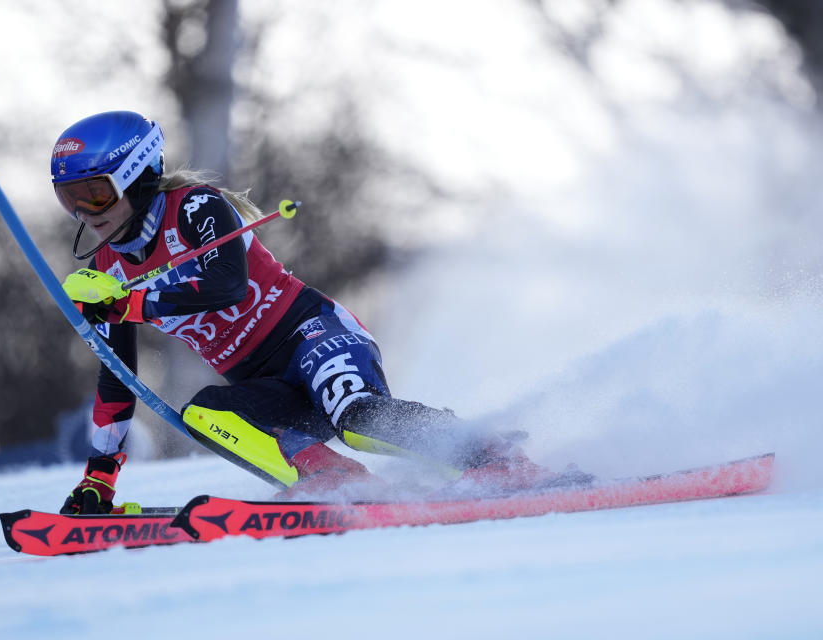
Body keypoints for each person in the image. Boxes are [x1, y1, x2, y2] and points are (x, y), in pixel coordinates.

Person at [51, 111, 549, 514]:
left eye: (95, 193)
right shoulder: (107, 271)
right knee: (204, 414)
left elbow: (228, 284)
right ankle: (333, 482)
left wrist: (133, 303)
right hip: (266, 383)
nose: (86, 214)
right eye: (70, 198)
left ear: (138, 177)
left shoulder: (195, 207)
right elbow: (118, 379)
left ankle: (490, 455)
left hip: (312, 336)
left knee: (356, 419)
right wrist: (99, 478)